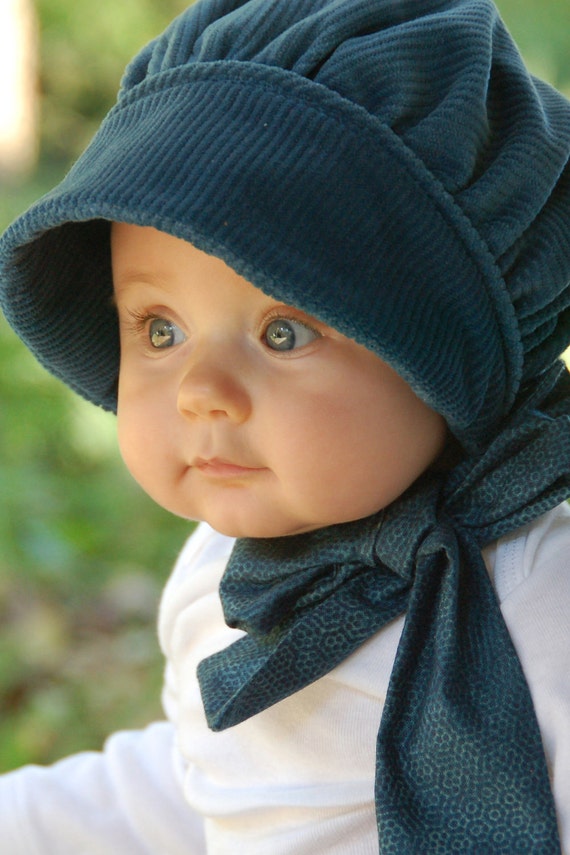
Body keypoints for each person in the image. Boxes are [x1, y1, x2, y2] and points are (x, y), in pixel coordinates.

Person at [0, 0, 569, 851]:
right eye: (160, 328)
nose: (201, 391)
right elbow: (219, 786)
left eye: (284, 332)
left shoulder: (537, 594)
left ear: (444, 360)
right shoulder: (222, 571)